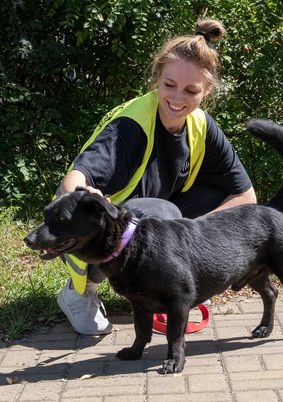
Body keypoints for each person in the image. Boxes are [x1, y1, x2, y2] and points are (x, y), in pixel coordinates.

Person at [56, 19, 257, 335]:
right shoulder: (130, 126)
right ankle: (79, 292)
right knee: (165, 215)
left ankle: (161, 279)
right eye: (169, 85)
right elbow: (73, 180)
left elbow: (246, 198)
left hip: (149, 223)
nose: (177, 98)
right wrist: (85, 197)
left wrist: (198, 240)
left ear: (207, 91)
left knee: (214, 202)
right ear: (157, 80)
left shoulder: (203, 126)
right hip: (98, 229)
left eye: (191, 90)